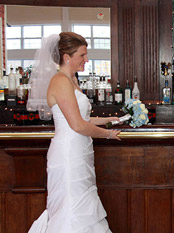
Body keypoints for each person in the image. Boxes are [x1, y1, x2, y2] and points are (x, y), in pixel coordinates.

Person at [27, 32, 121, 233]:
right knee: (71, 210)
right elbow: (77, 125)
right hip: (68, 155)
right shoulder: (60, 81)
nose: (86, 60)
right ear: (67, 57)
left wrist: (107, 120)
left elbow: (81, 118)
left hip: (80, 153)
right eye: (82, 55)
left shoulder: (72, 80)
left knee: (82, 205)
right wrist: (108, 134)